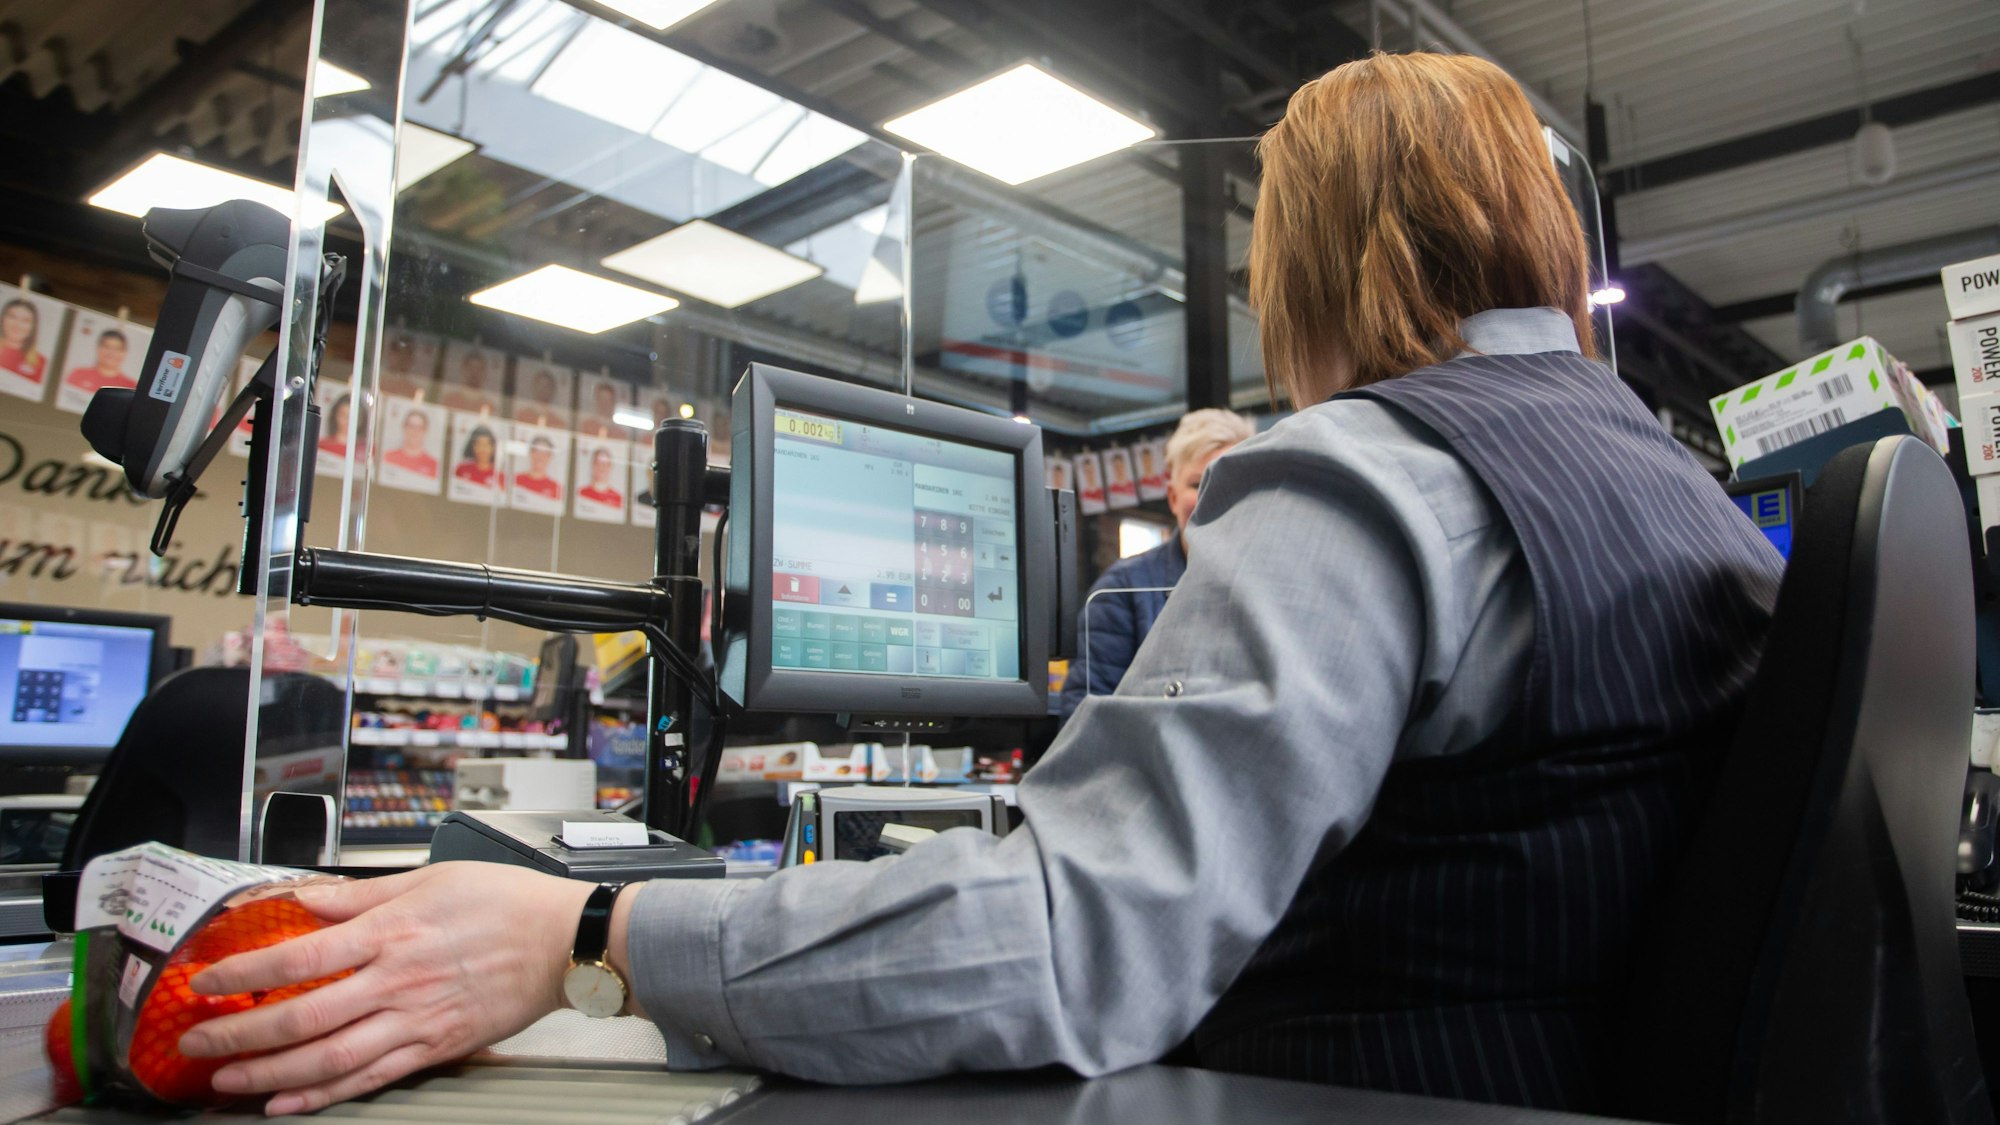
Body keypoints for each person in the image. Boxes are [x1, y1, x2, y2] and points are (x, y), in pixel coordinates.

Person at [175, 54, 1783, 1117]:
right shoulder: (1679, 485)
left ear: (1307, 262)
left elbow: (1070, 939)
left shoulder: (1369, 476)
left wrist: (583, 930)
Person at [1055, 409, 1255, 719]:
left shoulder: (1277, 584)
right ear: (1173, 497)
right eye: (1197, 483)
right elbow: (1084, 719)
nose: (1212, 495)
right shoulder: (1121, 591)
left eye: (1229, 481)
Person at [62, 328, 131, 395]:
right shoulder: (78, 374)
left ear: (125, 352)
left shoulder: (130, 386)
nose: (111, 353)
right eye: (107, 347)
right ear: (98, 347)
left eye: (117, 349)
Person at [0, 298, 46, 386]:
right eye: (12, 317)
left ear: (33, 327)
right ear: (2, 319)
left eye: (26, 320)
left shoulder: (41, 363)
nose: (17, 324)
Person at [382, 409, 438, 478]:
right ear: (404, 427)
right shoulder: (388, 457)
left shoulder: (434, 465)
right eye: (411, 426)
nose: (414, 431)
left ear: (425, 431)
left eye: (419, 428)